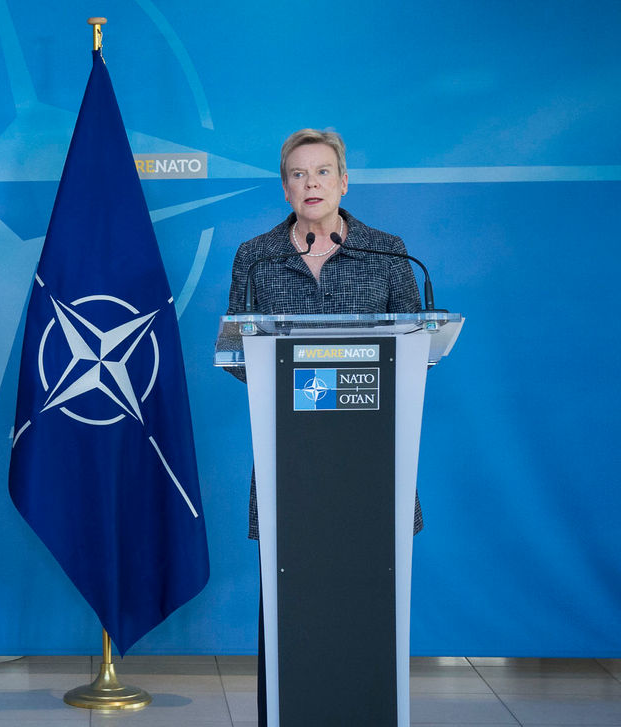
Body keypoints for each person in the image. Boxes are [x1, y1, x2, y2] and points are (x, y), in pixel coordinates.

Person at [223, 128, 422, 726]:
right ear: (284, 187)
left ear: (343, 181)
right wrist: (307, 381)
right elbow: (237, 355)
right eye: (298, 174)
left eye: (322, 172)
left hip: (370, 462)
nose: (311, 184)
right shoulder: (256, 257)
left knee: (365, 611)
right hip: (291, 462)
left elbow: (414, 351)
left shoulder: (389, 253)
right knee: (293, 616)